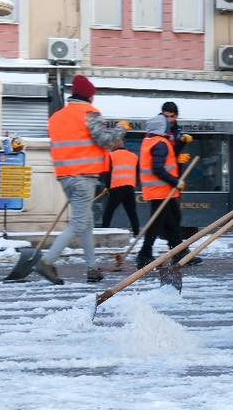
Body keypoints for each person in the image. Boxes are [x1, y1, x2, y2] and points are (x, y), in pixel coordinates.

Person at [37, 75, 127, 285]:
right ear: (89, 96)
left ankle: (92, 268)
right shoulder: (88, 113)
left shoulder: (56, 117)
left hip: (65, 177)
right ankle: (47, 262)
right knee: (79, 223)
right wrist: (121, 128)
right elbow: (105, 140)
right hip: (83, 177)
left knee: (86, 224)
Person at [136, 115, 186, 267]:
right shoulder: (160, 143)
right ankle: (144, 254)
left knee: (171, 222)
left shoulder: (149, 140)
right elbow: (157, 168)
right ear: (161, 127)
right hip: (161, 190)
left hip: (160, 190)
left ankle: (179, 252)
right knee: (157, 224)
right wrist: (175, 181)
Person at [100, 145, 140, 235]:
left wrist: (107, 186)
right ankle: (136, 232)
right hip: (129, 187)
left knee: (109, 211)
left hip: (116, 187)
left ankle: (103, 231)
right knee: (132, 212)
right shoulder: (134, 156)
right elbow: (137, 173)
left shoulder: (111, 155)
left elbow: (108, 173)